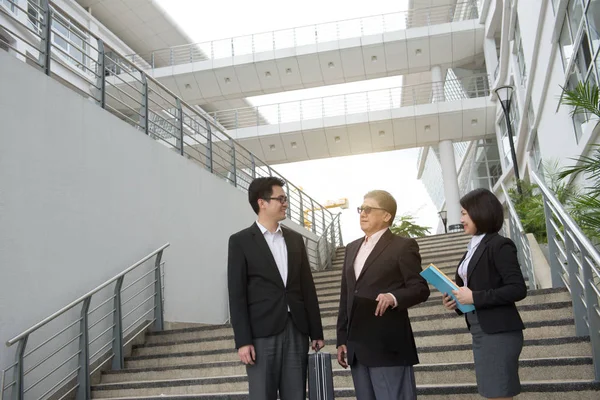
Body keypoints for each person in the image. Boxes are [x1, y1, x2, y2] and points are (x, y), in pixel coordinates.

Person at [227, 177, 324, 400]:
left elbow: (307, 287)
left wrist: (316, 331)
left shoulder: (295, 239)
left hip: (296, 329)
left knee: (296, 395)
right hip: (261, 334)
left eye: (285, 199)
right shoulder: (240, 241)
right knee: (262, 395)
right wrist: (243, 341)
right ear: (262, 202)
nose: (285, 203)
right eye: (280, 199)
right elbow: (237, 295)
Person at [336, 190, 430, 400]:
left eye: (368, 209)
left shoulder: (403, 246)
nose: (362, 214)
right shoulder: (351, 248)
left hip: (388, 346)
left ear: (386, 215)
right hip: (357, 348)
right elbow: (346, 296)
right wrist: (342, 338)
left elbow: (420, 288)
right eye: (361, 209)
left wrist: (393, 297)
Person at [442, 188, 527, 400]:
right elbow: (470, 289)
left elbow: (517, 288)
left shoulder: (500, 245)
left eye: (464, 213)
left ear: (480, 211)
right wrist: (456, 301)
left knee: (499, 393)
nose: (460, 219)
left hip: (499, 332)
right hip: (479, 329)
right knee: (492, 393)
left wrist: (475, 297)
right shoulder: (471, 248)